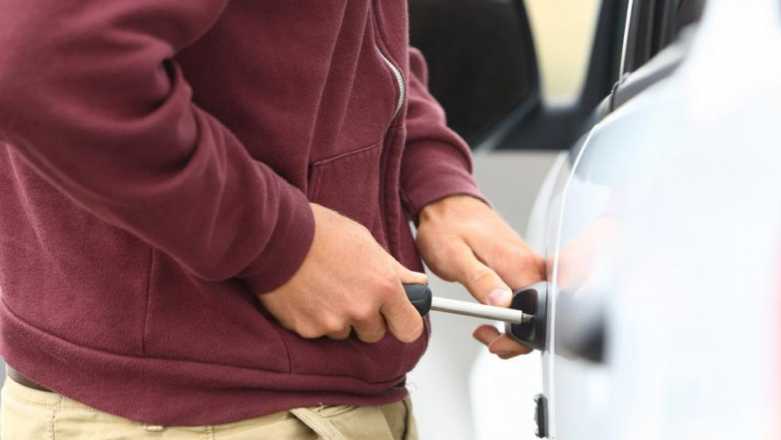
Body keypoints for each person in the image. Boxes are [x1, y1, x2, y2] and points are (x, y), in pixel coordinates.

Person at [0, 1, 540, 438]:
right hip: (190, 418)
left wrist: (432, 180)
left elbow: (351, 35)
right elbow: (48, 58)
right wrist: (279, 244)